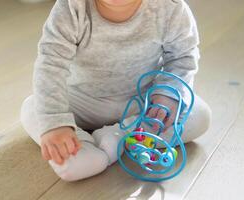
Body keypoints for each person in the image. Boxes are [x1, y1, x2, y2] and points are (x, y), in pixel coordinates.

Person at [20, 0, 212, 181]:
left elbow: (183, 57)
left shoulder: (170, 7)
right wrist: (55, 122)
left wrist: (168, 94)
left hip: (142, 102)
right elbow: (50, 64)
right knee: (32, 108)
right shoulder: (72, 7)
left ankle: (121, 135)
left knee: (200, 115)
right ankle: (82, 146)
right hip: (82, 100)